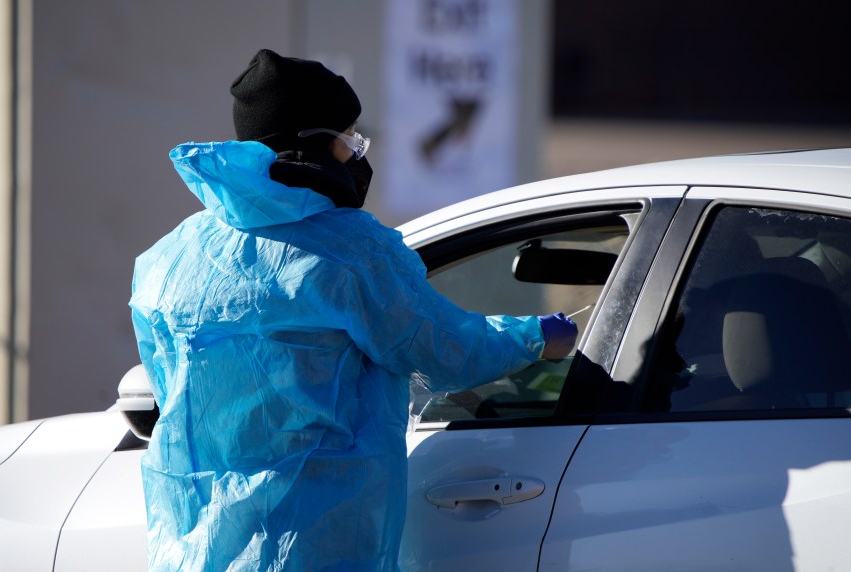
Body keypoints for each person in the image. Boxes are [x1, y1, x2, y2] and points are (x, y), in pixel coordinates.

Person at [129, 48, 577, 572]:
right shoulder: (352, 251)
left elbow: (167, 385)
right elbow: (445, 351)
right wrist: (537, 337)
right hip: (314, 542)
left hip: (192, 549)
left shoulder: (169, 256)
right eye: (349, 141)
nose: (356, 156)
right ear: (314, 144)